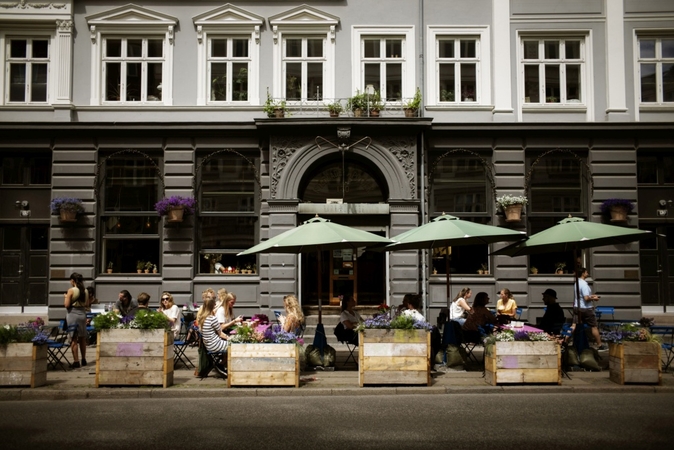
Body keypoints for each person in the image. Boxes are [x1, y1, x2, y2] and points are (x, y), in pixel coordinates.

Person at [64, 272, 90, 368]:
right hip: (82, 314)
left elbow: (66, 305)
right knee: (82, 337)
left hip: (73, 314)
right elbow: (87, 304)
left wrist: (66, 297)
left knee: (74, 338)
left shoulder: (71, 290)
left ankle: (76, 361)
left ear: (73, 281)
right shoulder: (85, 291)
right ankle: (84, 359)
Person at [574, 267, 604, 349]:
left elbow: (580, 296)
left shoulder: (576, 283)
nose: (587, 273)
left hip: (577, 307)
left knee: (574, 325)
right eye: (586, 272)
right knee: (594, 326)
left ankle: (565, 341)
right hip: (586, 308)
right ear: (583, 273)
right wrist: (594, 298)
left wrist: (591, 296)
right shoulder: (584, 284)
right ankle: (600, 345)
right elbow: (586, 298)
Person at [197, 293, 229, 365]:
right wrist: (229, 338)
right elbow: (220, 333)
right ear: (212, 307)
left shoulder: (201, 319)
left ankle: (223, 363)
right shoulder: (212, 318)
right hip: (215, 345)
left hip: (208, 345)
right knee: (233, 346)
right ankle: (223, 363)